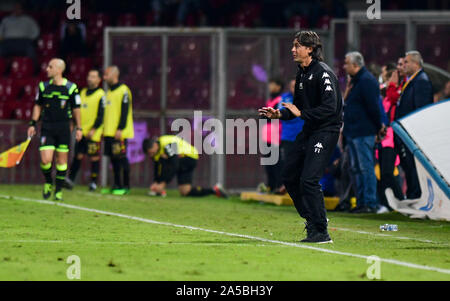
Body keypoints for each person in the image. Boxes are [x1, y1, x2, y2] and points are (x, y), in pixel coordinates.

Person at [258, 31, 342, 243]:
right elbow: (297, 108)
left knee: (309, 179)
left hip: (326, 131)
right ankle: (313, 219)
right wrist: (279, 114)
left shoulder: (323, 73)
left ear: (310, 49)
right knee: (288, 175)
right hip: (309, 130)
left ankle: (321, 231)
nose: (292, 49)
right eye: (293, 45)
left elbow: (331, 108)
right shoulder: (302, 74)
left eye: (297, 46)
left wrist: (302, 114)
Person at [27, 58, 82, 201]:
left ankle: (58, 190)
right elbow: (38, 105)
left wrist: (79, 128)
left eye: (50, 67)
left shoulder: (71, 87)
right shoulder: (43, 86)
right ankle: (48, 182)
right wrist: (32, 123)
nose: (47, 69)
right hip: (47, 126)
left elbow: (76, 109)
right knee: (46, 160)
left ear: (59, 70)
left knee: (62, 161)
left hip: (64, 127)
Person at [342, 51, 386, 214]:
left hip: (363, 131)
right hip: (353, 131)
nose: (344, 66)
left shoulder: (367, 81)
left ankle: (370, 202)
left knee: (365, 167)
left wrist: (377, 127)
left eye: (346, 63)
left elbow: (373, 107)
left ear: (355, 64)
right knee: (356, 168)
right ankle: (362, 202)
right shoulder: (356, 81)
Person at [394, 50, 433, 199]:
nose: (404, 65)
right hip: (407, 131)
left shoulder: (421, 81)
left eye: (407, 62)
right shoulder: (413, 80)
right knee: (408, 165)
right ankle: (413, 193)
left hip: (413, 132)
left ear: (416, 64)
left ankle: (416, 195)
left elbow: (420, 109)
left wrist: (415, 131)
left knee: (413, 165)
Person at [142, 135, 228, 198]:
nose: (151, 155)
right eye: (149, 154)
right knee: (185, 191)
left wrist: (162, 183)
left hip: (189, 158)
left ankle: (161, 190)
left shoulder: (168, 143)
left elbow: (174, 165)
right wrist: (156, 182)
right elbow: (158, 167)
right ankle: (214, 190)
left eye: (151, 152)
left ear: (155, 145)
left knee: (166, 161)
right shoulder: (156, 152)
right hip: (182, 161)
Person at [64, 70, 105, 191]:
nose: (90, 78)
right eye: (89, 76)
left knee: (94, 158)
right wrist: (73, 124)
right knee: (78, 156)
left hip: (94, 133)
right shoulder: (82, 92)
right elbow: (76, 110)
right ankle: (70, 180)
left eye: (93, 76)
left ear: (99, 80)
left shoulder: (101, 94)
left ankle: (93, 182)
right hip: (81, 131)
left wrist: (94, 129)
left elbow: (101, 114)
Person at [102, 66, 134, 195]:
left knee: (121, 158)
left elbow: (125, 110)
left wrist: (120, 128)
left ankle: (125, 186)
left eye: (106, 75)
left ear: (114, 75)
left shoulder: (123, 90)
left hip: (119, 132)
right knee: (113, 160)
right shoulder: (109, 92)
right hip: (109, 132)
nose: (104, 78)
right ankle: (116, 185)